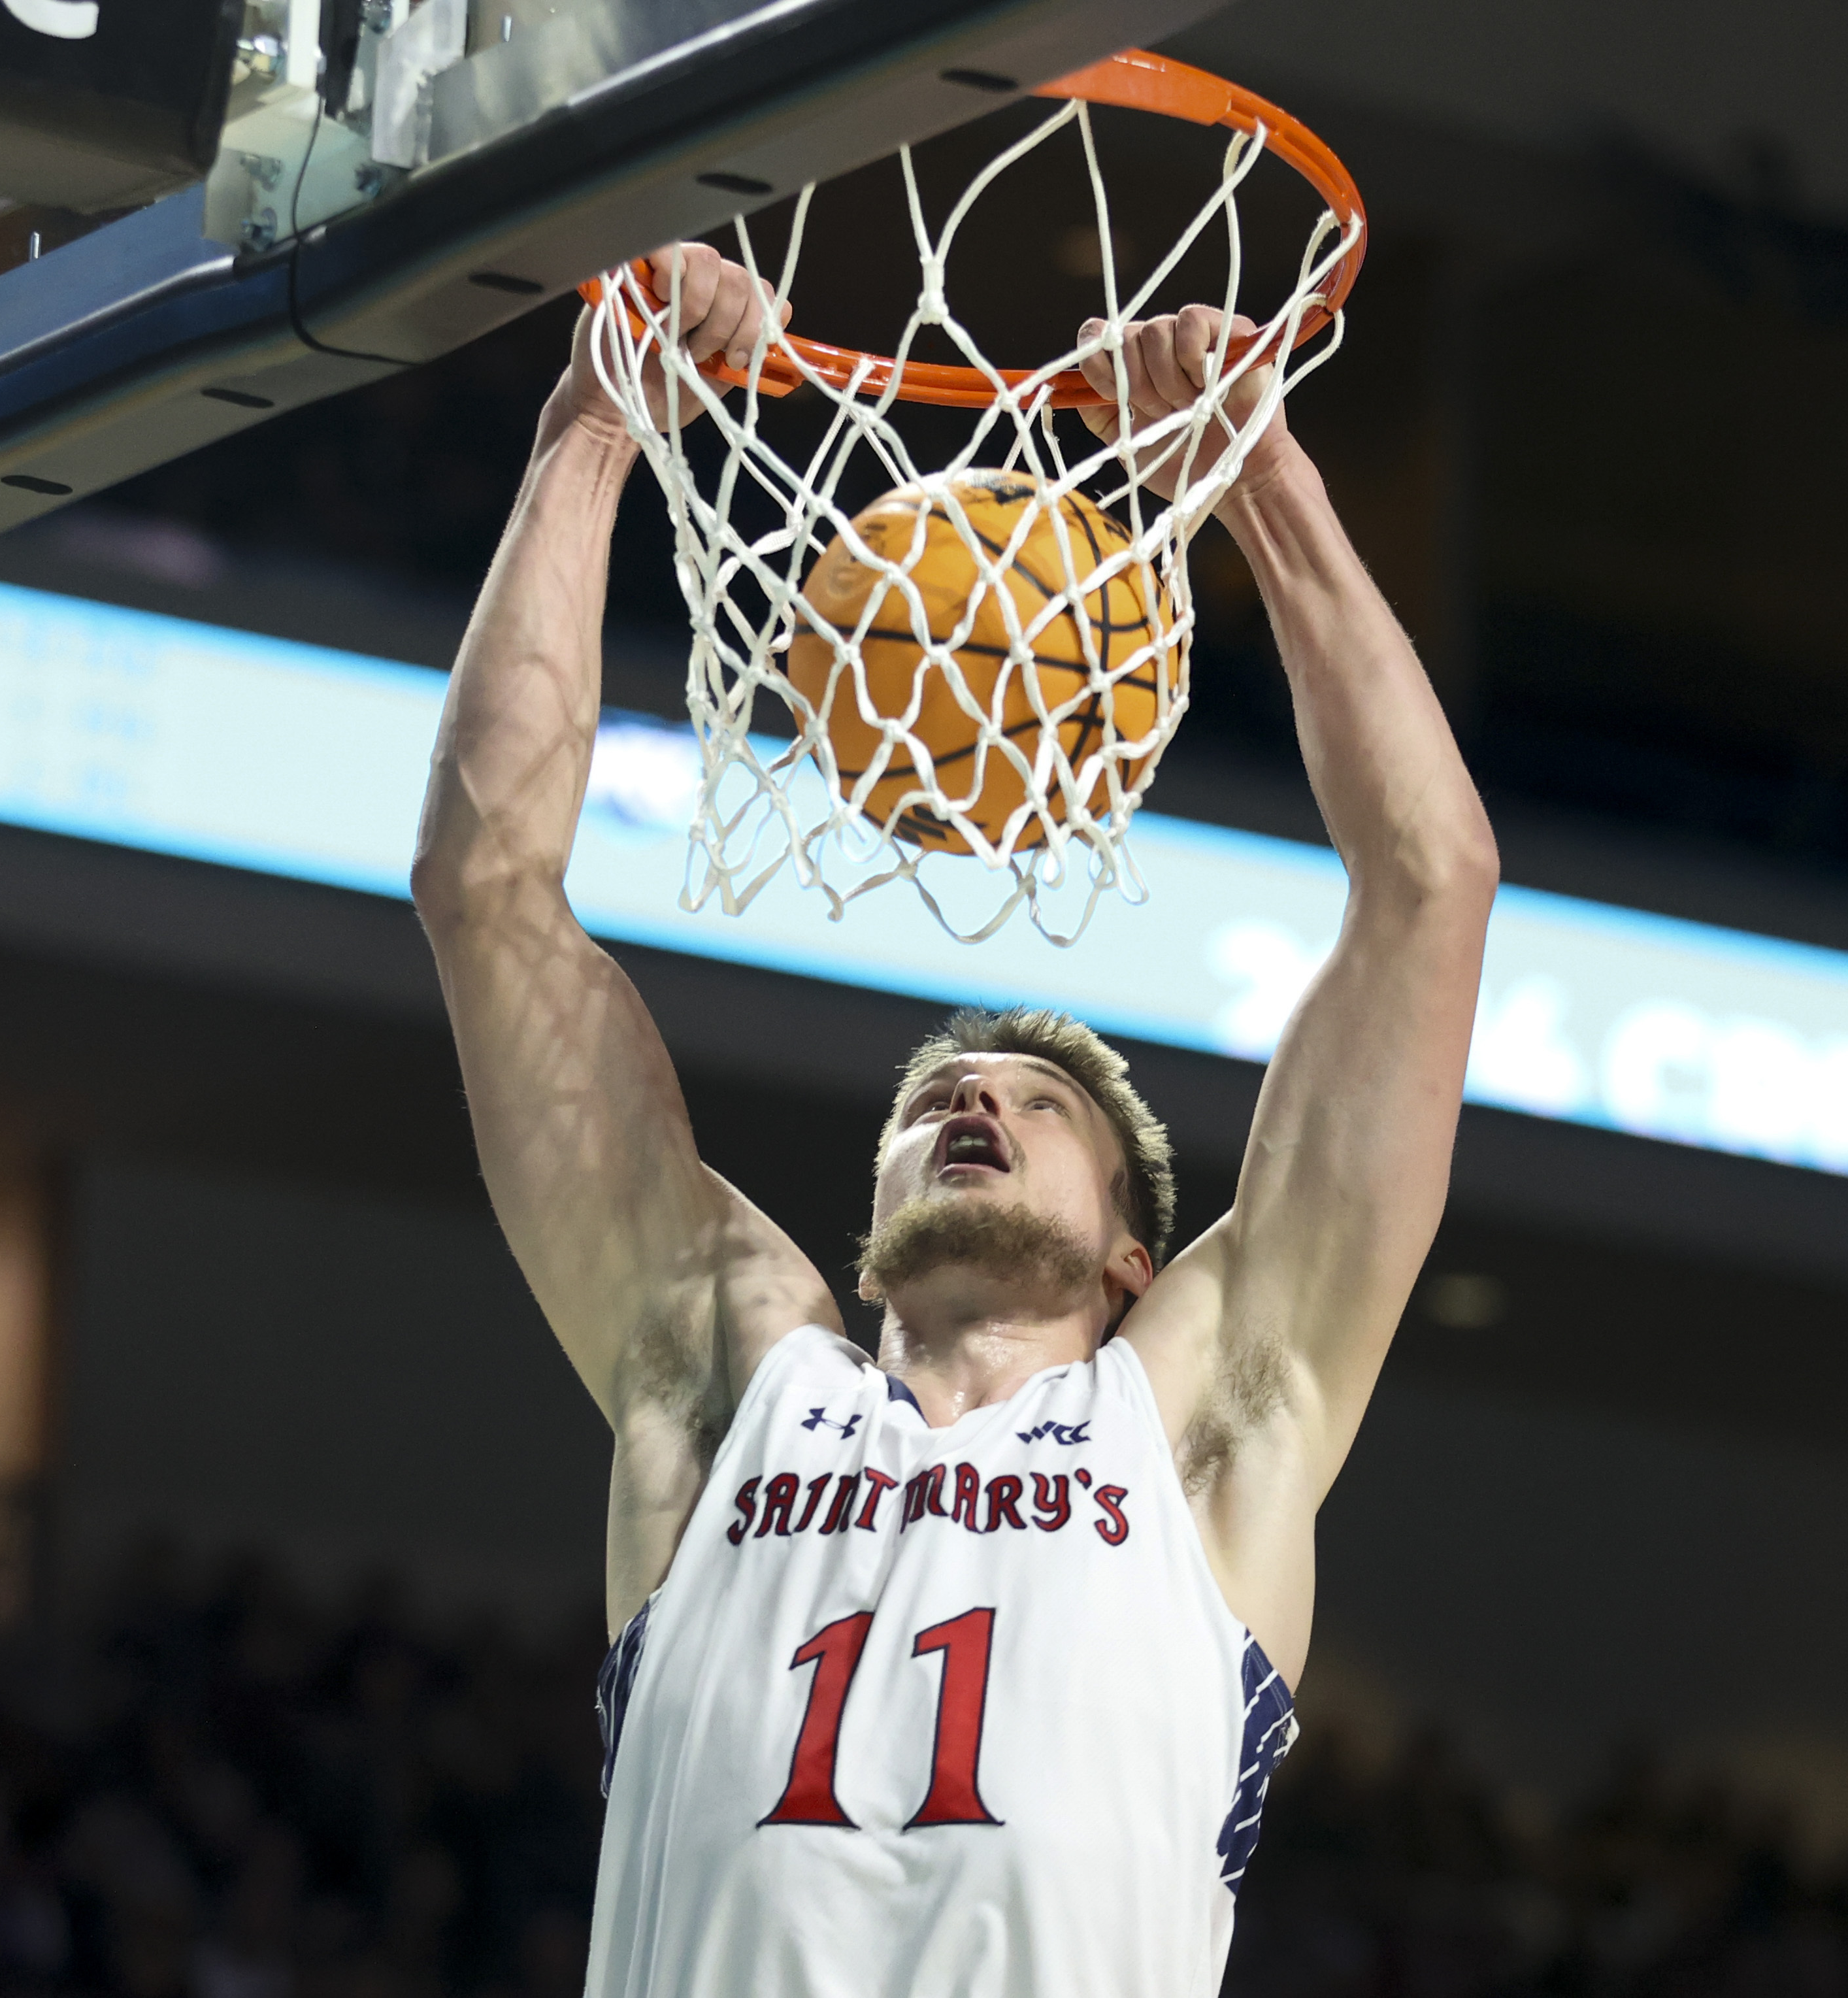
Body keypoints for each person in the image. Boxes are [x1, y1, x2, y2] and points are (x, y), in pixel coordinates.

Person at [409, 244, 1497, 1998]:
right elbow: (483, 887)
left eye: (1035, 1098)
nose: (970, 1094)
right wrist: (595, 421)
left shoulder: (1196, 1425)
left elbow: (1431, 887)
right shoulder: (735, 1367)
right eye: (934, 1099)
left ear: (1138, 1256)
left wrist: (1262, 481)